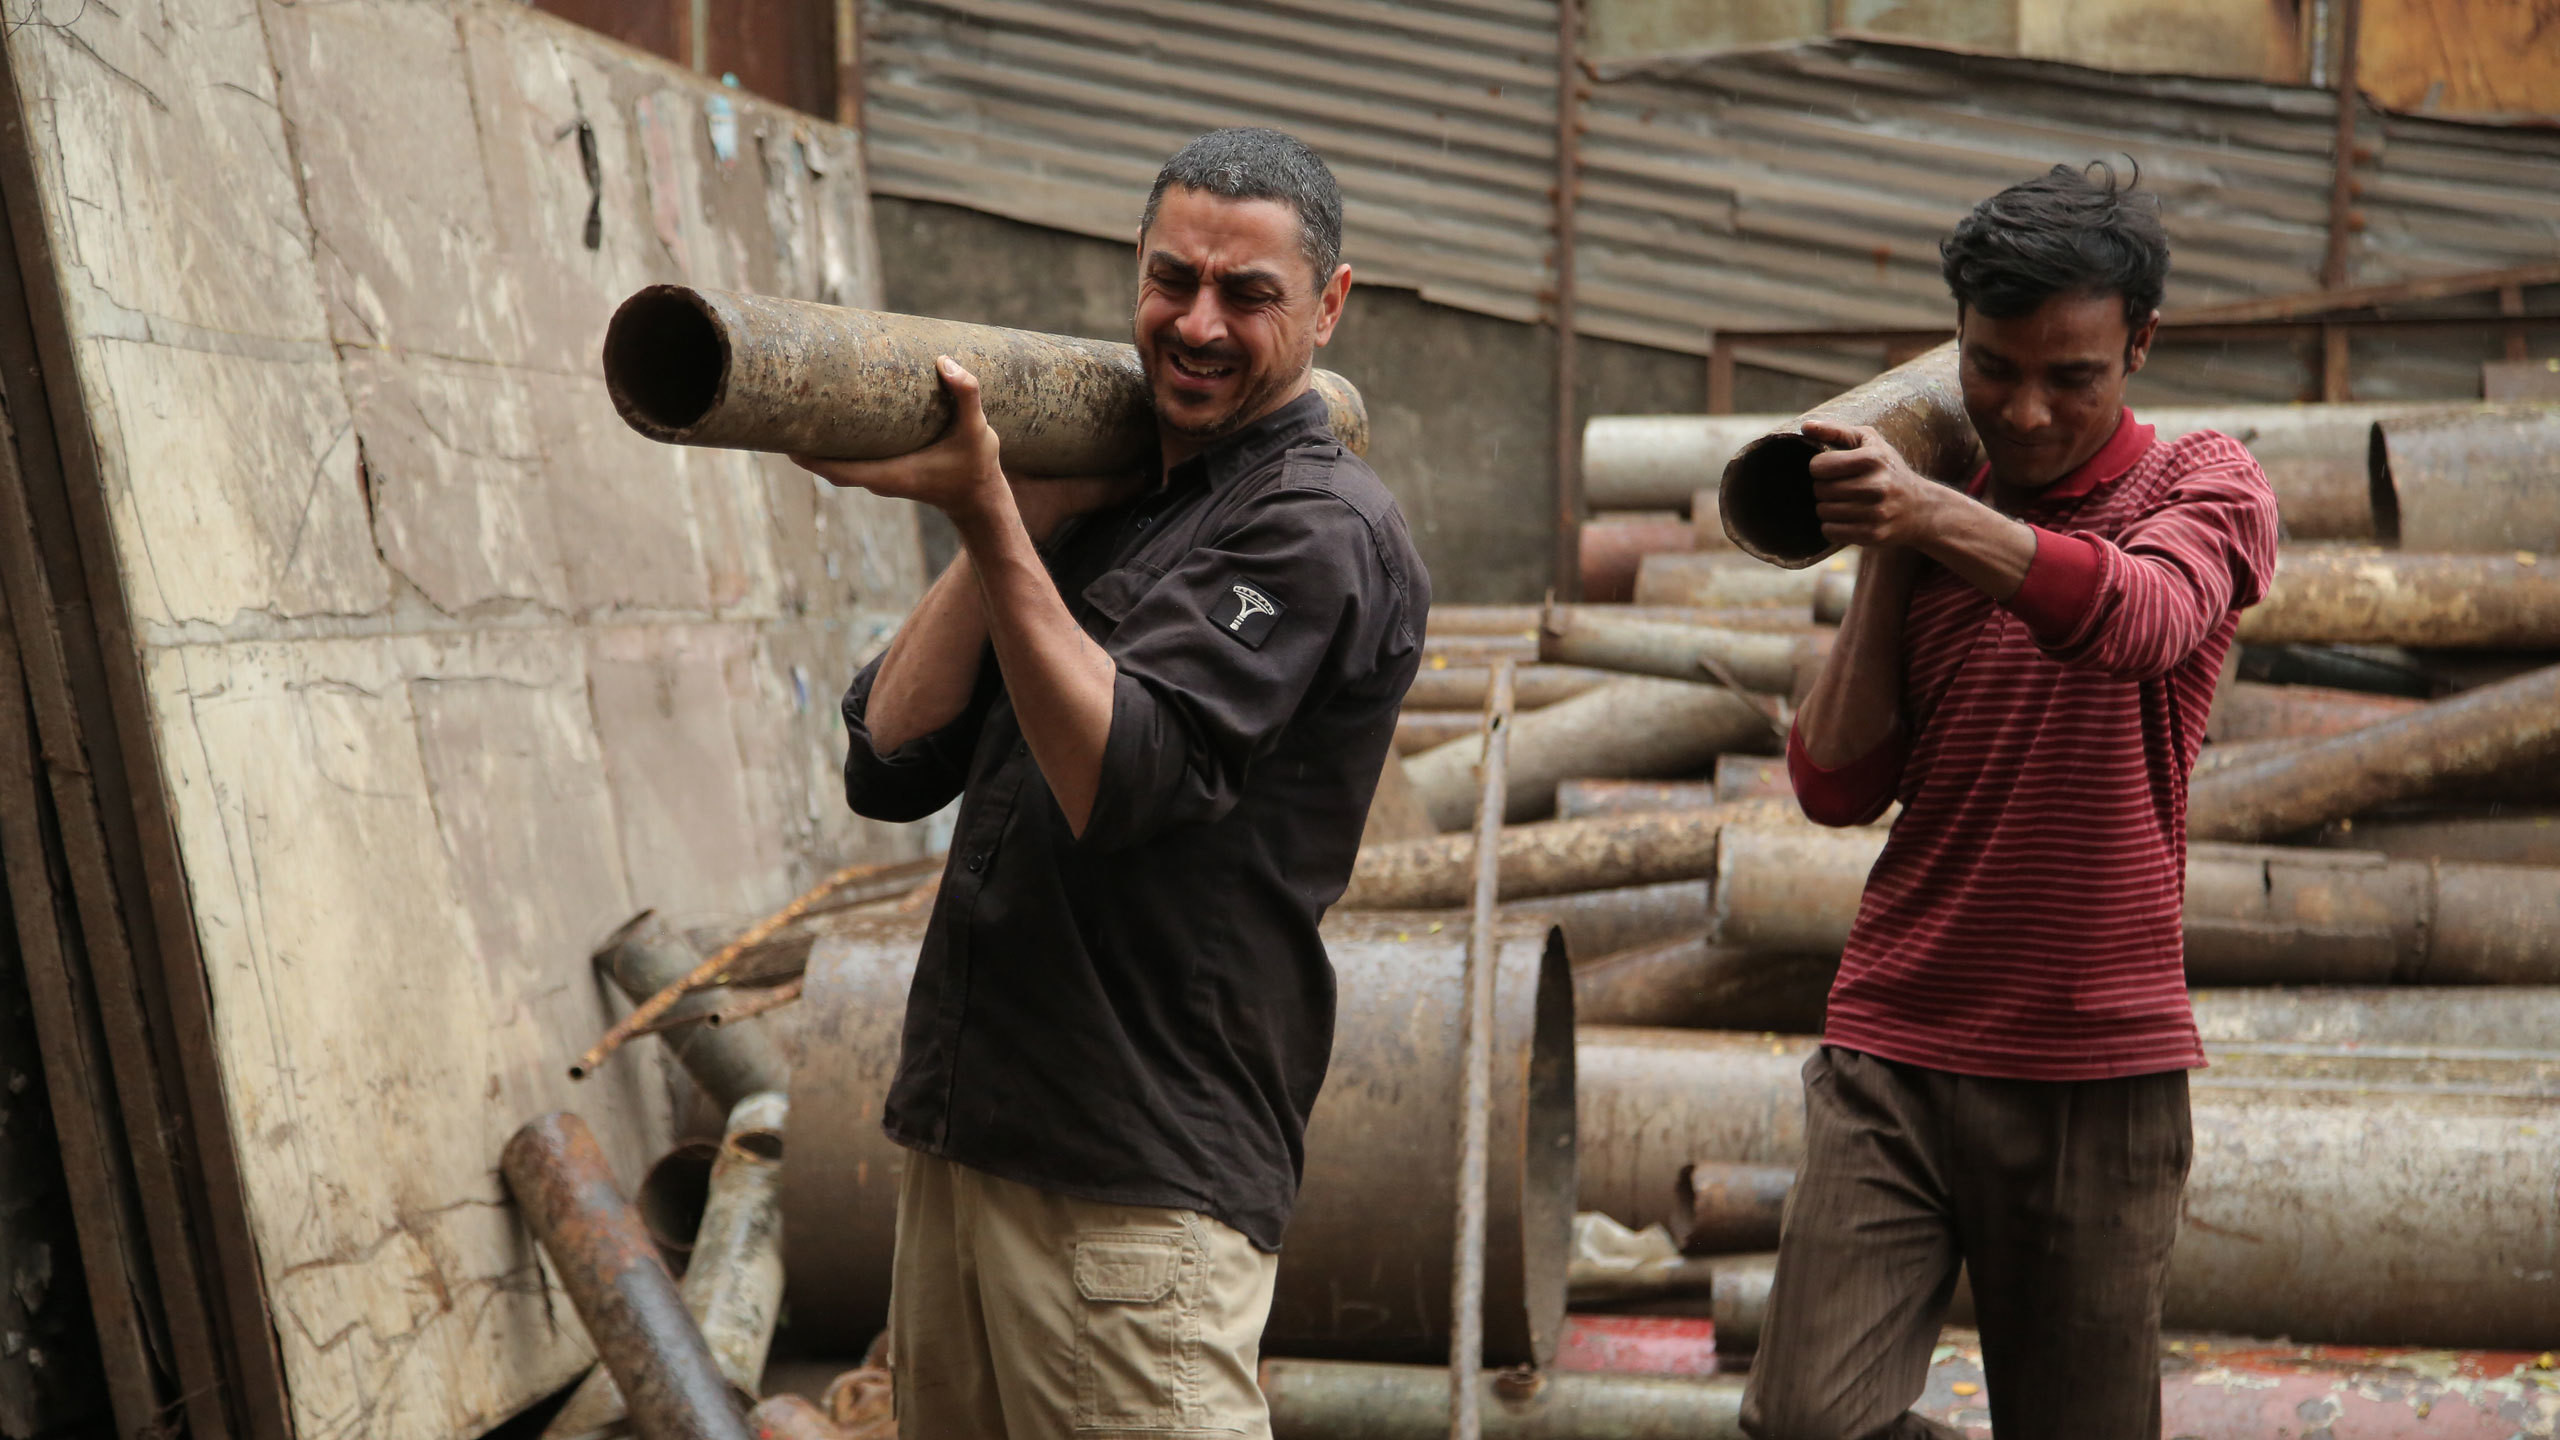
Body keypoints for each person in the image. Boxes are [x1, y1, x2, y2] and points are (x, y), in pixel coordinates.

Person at [799, 127, 1428, 1440]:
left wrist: (984, 510)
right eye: (1170, 280)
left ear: (1330, 304)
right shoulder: (1117, 488)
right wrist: (1020, 518)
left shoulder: (1320, 529)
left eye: (1247, 295)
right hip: (970, 1140)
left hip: (1138, 1182)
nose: (1197, 325)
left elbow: (1122, 779)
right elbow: (888, 759)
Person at [1740, 164, 2279, 1440]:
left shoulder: (2207, 484)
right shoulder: (1939, 505)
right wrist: (1891, 543)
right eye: (1991, 369)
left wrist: (1930, 511)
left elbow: (2138, 621)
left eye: (2071, 376)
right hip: (1898, 1046)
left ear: (2138, 345)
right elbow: (1833, 785)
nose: (2025, 412)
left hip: (2094, 1064)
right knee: (1805, 1423)